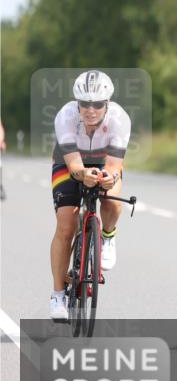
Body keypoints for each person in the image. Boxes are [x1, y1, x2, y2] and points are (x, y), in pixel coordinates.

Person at [49, 70, 132, 322]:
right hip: (69, 163)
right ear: (78, 103)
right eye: (85, 103)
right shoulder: (65, 116)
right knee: (66, 226)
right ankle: (58, 295)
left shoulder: (120, 119)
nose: (90, 109)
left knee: (112, 198)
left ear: (107, 103)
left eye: (97, 104)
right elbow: (74, 167)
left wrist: (110, 177)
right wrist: (82, 174)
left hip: (104, 161)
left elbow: (115, 166)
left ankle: (107, 235)